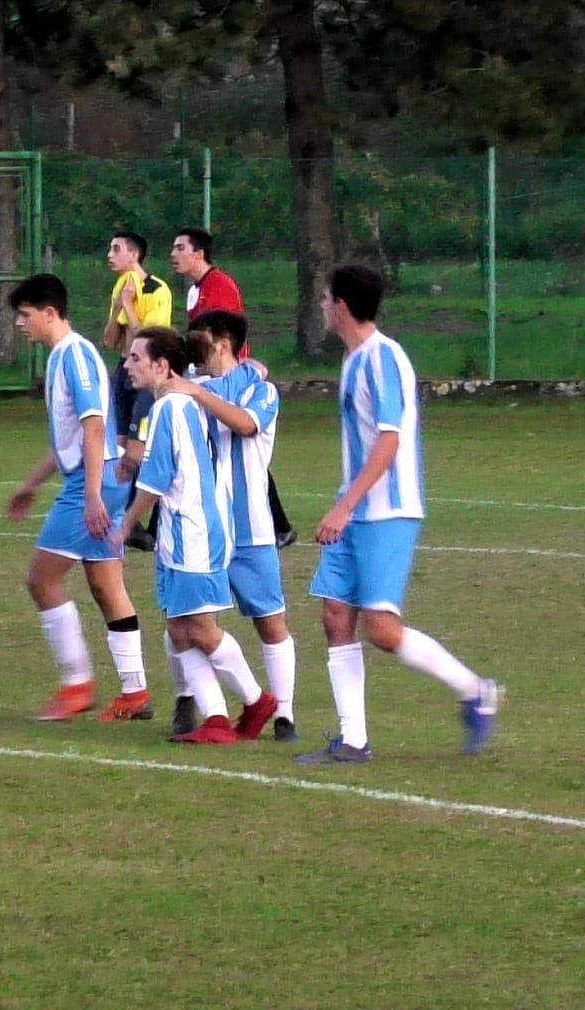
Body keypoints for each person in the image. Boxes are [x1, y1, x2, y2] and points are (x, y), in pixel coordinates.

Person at [297, 265, 500, 764]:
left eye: (326, 300)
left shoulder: (384, 358)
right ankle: (353, 740)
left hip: (387, 512)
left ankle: (478, 691)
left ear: (342, 306)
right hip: (355, 511)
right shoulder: (353, 360)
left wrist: (344, 506)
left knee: (382, 630)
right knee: (335, 615)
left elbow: (390, 440)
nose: (323, 307)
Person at [111, 326, 277, 744]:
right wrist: (252, 370)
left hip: (194, 532)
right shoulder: (174, 401)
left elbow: (158, 478)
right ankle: (217, 719)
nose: (127, 365)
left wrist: (127, 524)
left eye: (135, 358)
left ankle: (258, 701)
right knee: (179, 630)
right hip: (177, 532)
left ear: (162, 365)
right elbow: (237, 377)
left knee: (201, 628)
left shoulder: (171, 408)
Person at [5, 274, 150, 723]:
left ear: (50, 313)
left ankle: (77, 684)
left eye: (25, 316)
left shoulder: (76, 355)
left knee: (42, 580)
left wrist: (90, 496)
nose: (19, 324)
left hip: (96, 481)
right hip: (97, 477)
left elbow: (94, 429)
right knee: (107, 586)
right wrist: (31, 483)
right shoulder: (61, 358)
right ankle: (136, 691)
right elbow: (70, 438)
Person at [169, 311, 298, 741]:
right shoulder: (197, 385)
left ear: (223, 342)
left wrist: (194, 389)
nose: (194, 346)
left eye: (200, 338)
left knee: (269, 621)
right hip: (204, 529)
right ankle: (199, 707)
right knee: (186, 620)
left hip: (251, 529)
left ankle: (284, 715)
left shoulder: (261, 390)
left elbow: (244, 424)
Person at [170, 227, 298, 549]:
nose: (174, 254)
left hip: (228, 379)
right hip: (209, 376)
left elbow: (229, 338)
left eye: (180, 247)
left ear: (199, 253)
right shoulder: (195, 290)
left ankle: (277, 525)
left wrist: (238, 374)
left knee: (239, 453)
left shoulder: (219, 285)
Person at [102, 232, 173, 554]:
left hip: (148, 376)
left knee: (137, 450)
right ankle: (123, 520)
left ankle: (145, 519)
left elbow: (146, 339)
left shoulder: (157, 290)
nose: (110, 254)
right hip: (123, 373)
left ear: (134, 255)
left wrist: (129, 305)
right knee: (118, 451)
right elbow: (110, 340)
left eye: (116, 249)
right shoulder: (121, 287)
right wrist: (119, 304)